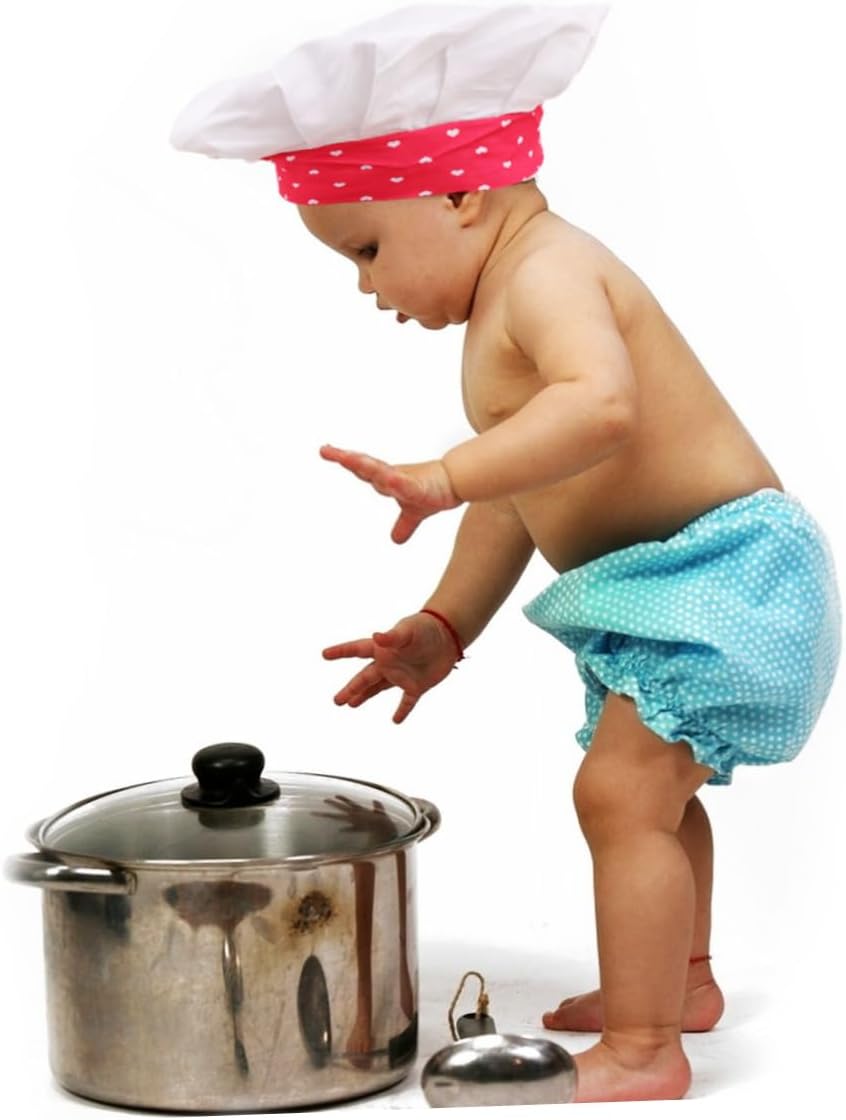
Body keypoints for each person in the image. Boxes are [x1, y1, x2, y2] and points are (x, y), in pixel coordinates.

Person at [172, 5, 841, 1102]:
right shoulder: (505, 307)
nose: (367, 284)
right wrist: (445, 625)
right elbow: (524, 492)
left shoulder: (548, 274)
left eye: (368, 249)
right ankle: (679, 984)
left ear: (458, 194)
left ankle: (645, 1049)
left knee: (619, 794)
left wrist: (446, 473)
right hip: (672, 587)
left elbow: (603, 406)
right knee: (652, 795)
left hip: (725, 577)